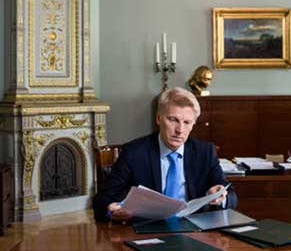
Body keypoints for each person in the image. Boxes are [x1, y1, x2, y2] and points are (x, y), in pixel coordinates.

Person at [93, 87, 236, 221]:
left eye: (187, 122)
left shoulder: (205, 151)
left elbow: (231, 197)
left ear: (193, 124)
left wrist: (220, 197)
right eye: (173, 120)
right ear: (158, 119)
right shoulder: (134, 152)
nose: (180, 130)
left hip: (194, 226)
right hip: (147, 228)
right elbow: (102, 200)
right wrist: (111, 209)